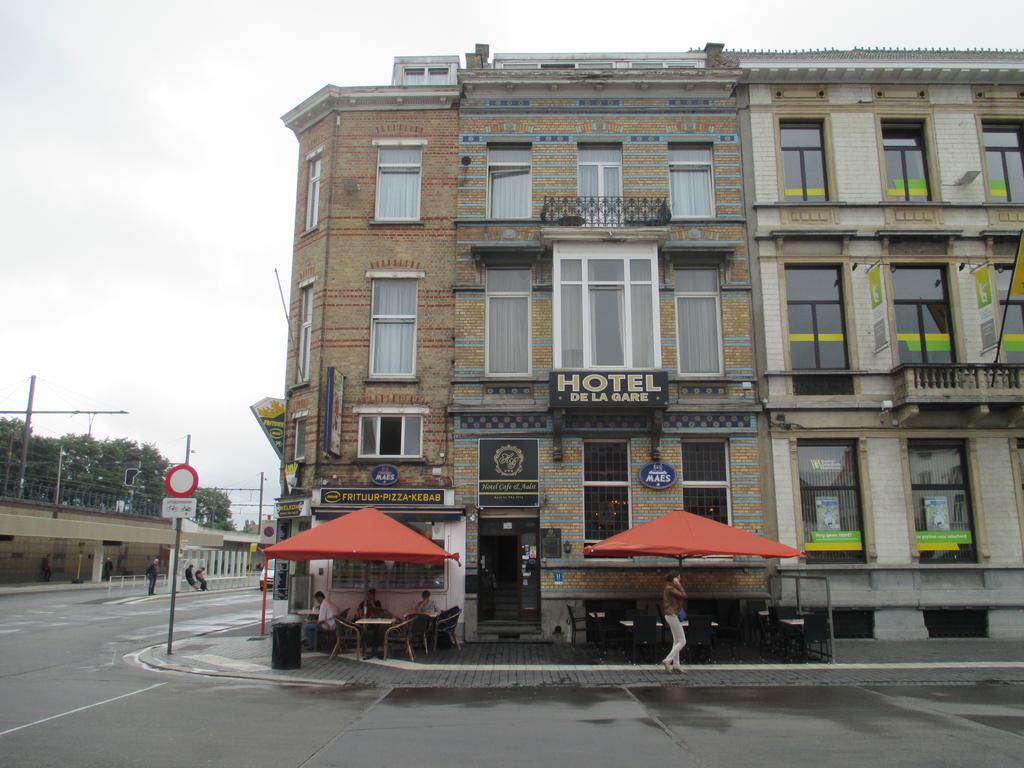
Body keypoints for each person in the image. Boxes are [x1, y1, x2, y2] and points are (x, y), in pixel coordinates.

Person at [661, 572, 687, 674]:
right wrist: (679, 585)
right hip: (672, 615)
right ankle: (668, 660)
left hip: (672, 615)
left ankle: (676, 665)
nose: (680, 580)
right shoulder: (670, 588)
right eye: (678, 578)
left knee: (676, 641)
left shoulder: (670, 587)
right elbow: (684, 595)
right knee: (683, 641)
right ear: (674, 579)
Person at [354, 588, 386, 659]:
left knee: (377, 630)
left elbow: (380, 611)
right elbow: (358, 608)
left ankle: (374, 650)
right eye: (367, 595)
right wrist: (358, 613)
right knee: (373, 631)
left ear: (373, 595)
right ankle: (373, 650)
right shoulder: (364, 602)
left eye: (370, 595)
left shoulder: (377, 602)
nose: (368, 596)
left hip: (375, 621)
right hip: (365, 622)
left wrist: (373, 604)